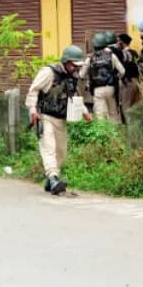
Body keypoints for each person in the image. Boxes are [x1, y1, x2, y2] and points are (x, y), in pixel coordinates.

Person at [26, 45, 93, 195]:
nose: (76, 68)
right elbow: (33, 90)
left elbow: (75, 96)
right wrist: (32, 110)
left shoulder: (72, 77)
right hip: (45, 116)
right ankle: (54, 178)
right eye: (74, 65)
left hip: (61, 119)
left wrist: (85, 112)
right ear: (66, 61)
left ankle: (51, 180)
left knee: (61, 152)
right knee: (48, 147)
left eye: (78, 66)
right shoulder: (48, 72)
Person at [81, 32, 125, 122]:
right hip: (110, 88)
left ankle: (103, 134)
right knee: (113, 113)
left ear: (94, 44)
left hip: (97, 90)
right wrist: (116, 77)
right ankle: (115, 134)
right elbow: (123, 71)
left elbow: (81, 75)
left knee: (100, 115)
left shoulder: (90, 58)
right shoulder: (111, 55)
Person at [113, 33, 141, 112]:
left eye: (118, 41)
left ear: (121, 42)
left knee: (126, 107)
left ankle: (128, 124)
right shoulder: (134, 52)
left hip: (128, 83)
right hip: (135, 82)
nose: (117, 44)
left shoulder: (124, 54)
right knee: (132, 106)